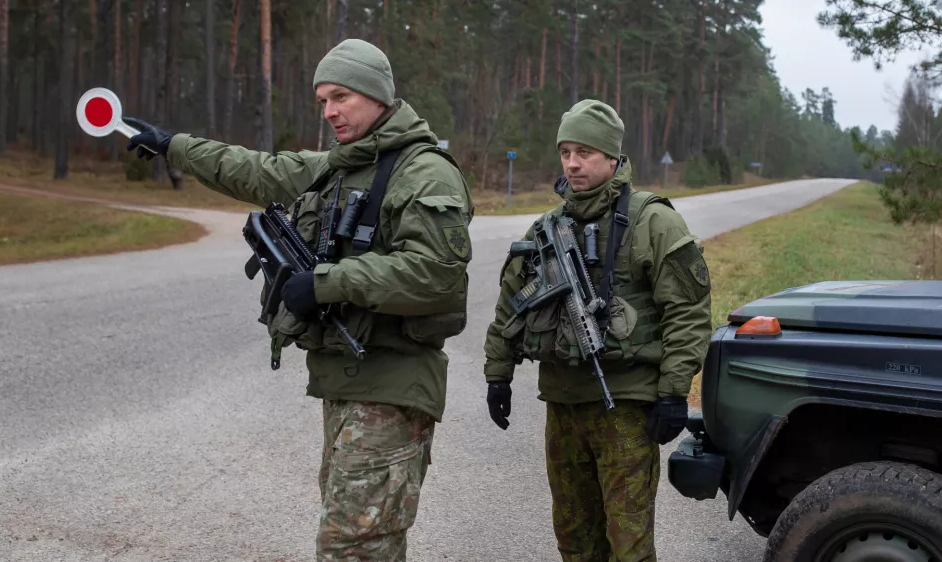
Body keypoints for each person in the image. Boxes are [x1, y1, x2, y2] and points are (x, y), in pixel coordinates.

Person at [123, 38, 474, 561]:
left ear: (377, 97)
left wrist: (327, 282)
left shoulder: (423, 171)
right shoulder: (338, 167)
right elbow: (253, 169)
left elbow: (437, 273)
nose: (329, 112)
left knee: (351, 546)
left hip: (393, 387)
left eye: (341, 97)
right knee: (360, 542)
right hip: (347, 386)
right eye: (322, 101)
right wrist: (173, 145)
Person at [481, 99, 712, 562]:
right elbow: (511, 303)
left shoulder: (653, 221)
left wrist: (672, 392)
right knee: (575, 542)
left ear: (612, 157)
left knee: (628, 546)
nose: (572, 163)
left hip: (624, 409)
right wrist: (497, 373)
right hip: (563, 406)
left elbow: (688, 312)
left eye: (584, 151)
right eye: (565, 151)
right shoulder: (546, 227)